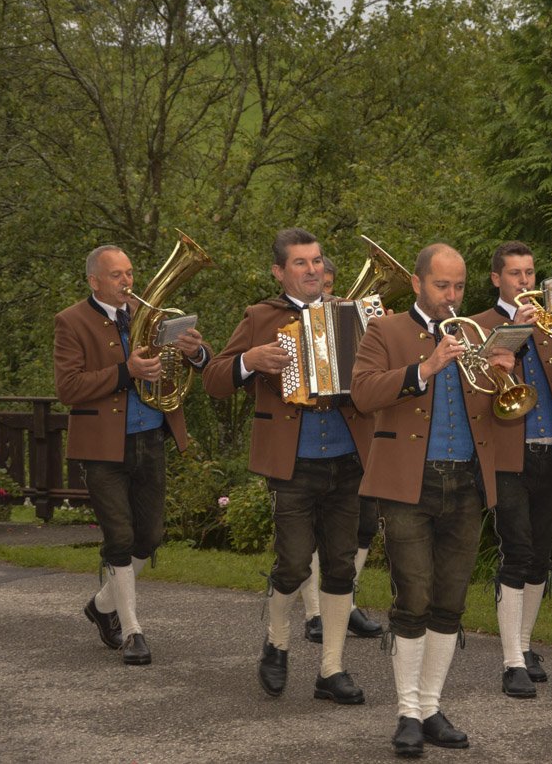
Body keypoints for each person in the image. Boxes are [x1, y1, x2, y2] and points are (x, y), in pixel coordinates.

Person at [351, 243, 515, 757]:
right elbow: (362, 394)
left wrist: (502, 374)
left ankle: (431, 707)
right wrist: (425, 368)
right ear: (420, 283)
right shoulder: (386, 330)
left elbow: (501, 413)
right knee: (413, 596)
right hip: (408, 483)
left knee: (450, 600)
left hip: (466, 481)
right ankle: (406, 712)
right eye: (443, 285)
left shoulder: (475, 333)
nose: (452, 295)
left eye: (460, 286)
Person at [201, 227, 372, 705]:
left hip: (349, 458)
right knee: (294, 564)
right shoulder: (261, 316)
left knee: (341, 568)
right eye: (301, 263)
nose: (313, 269)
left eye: (317, 261)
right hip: (292, 460)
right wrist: (250, 361)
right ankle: (276, 643)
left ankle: (331, 670)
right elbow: (214, 380)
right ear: (279, 271)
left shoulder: (353, 312)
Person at [55, 244, 211, 666]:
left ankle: (102, 607)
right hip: (103, 448)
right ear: (94, 282)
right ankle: (133, 631)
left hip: (151, 439)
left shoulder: (154, 318)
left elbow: (198, 366)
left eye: (129, 273)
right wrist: (128, 372)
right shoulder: (71, 321)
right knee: (120, 539)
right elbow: (68, 388)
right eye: (116, 275)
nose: (127, 282)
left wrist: (195, 351)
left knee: (151, 536)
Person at [469, 242, 552, 698]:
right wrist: (514, 335)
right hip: (507, 456)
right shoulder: (481, 326)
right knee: (515, 552)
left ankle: (526, 644)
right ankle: (511, 660)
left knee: (539, 555)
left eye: (530, 273)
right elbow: (477, 390)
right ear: (496, 278)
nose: (524, 282)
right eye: (515, 274)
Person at [295, 252, 384, 647]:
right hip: (309, 446)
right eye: (321, 286)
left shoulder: (352, 321)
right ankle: (316, 613)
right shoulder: (291, 322)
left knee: (364, 526)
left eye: (331, 286)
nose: (326, 294)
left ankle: (343, 604)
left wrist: (383, 332)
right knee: (315, 535)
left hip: (355, 442)